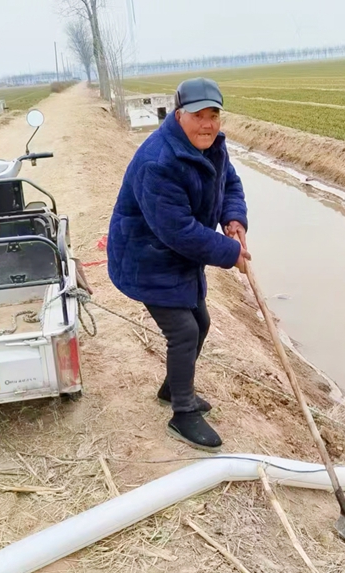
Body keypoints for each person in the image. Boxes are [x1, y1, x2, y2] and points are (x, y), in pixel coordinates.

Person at [107, 78, 251, 451]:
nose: (207, 123)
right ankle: (183, 413)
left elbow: (229, 185)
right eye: (197, 115)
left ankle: (173, 389)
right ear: (178, 114)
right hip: (148, 257)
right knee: (185, 331)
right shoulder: (159, 162)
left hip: (178, 258)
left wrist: (233, 220)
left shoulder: (212, 146)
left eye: (213, 115)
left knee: (200, 321)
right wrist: (230, 253)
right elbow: (178, 230)